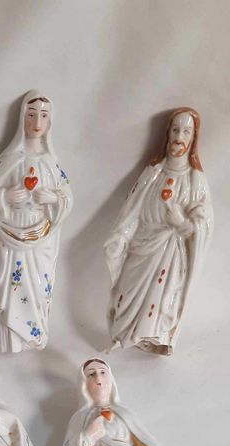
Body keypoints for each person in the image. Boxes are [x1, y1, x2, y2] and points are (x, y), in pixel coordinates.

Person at [104, 107, 213, 355]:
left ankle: (153, 335)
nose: (179, 137)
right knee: (126, 291)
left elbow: (204, 222)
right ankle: (125, 332)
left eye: (186, 131)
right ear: (167, 134)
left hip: (171, 251)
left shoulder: (196, 181)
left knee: (162, 297)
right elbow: (132, 209)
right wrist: (120, 236)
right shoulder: (152, 173)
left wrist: (182, 224)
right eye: (175, 130)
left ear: (193, 138)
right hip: (142, 244)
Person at [0, 89, 73, 352]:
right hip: (9, 236)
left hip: (40, 239)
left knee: (38, 288)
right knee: (9, 288)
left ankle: (32, 336)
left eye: (43, 115)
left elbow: (67, 197)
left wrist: (53, 198)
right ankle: (6, 339)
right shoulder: (9, 160)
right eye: (31, 115)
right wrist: (5, 197)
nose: (37, 122)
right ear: (22, 118)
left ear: (50, 121)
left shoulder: (51, 163)